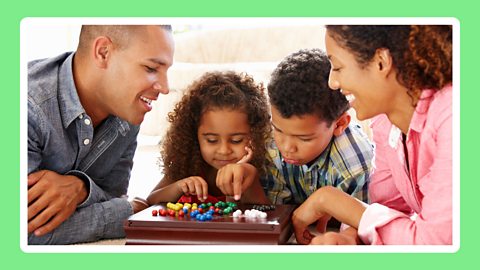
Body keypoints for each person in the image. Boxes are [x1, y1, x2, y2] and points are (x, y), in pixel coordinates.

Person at [292, 25, 452, 245]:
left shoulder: (454, 117)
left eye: (337, 67)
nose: (332, 82)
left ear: (381, 62)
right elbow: (384, 207)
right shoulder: (387, 123)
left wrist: (331, 200)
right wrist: (350, 238)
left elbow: (436, 245)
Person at [27, 25, 175, 244]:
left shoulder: (127, 113)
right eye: (151, 68)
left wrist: (81, 188)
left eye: (166, 71)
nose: (165, 87)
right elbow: (22, 231)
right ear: (103, 52)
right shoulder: (26, 107)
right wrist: (129, 212)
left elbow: (113, 195)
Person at [262, 48, 374, 233]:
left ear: (339, 125)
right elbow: (275, 213)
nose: (286, 147)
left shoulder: (355, 165)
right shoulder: (270, 144)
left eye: (304, 138)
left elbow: (360, 226)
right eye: (278, 130)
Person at [143, 71, 271, 206]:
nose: (224, 150)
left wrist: (245, 182)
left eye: (236, 140)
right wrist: (179, 187)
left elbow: (269, 215)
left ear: (256, 134)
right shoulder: (188, 167)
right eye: (211, 140)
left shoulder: (263, 170)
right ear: (193, 136)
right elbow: (150, 201)